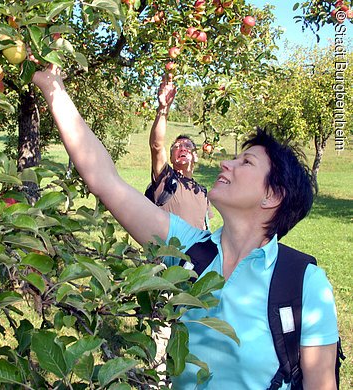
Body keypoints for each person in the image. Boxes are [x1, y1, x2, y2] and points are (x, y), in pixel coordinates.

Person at [32, 64, 339, 390]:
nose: (225, 163)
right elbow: (105, 181)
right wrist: (53, 87)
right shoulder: (189, 248)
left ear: (272, 195)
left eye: (246, 162)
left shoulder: (302, 282)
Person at [146, 74, 210, 230]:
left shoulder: (201, 191)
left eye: (188, 146)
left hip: (195, 254)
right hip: (168, 252)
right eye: (177, 146)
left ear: (196, 156)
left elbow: (204, 226)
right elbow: (156, 145)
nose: (182, 148)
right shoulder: (166, 179)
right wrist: (163, 109)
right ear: (172, 158)